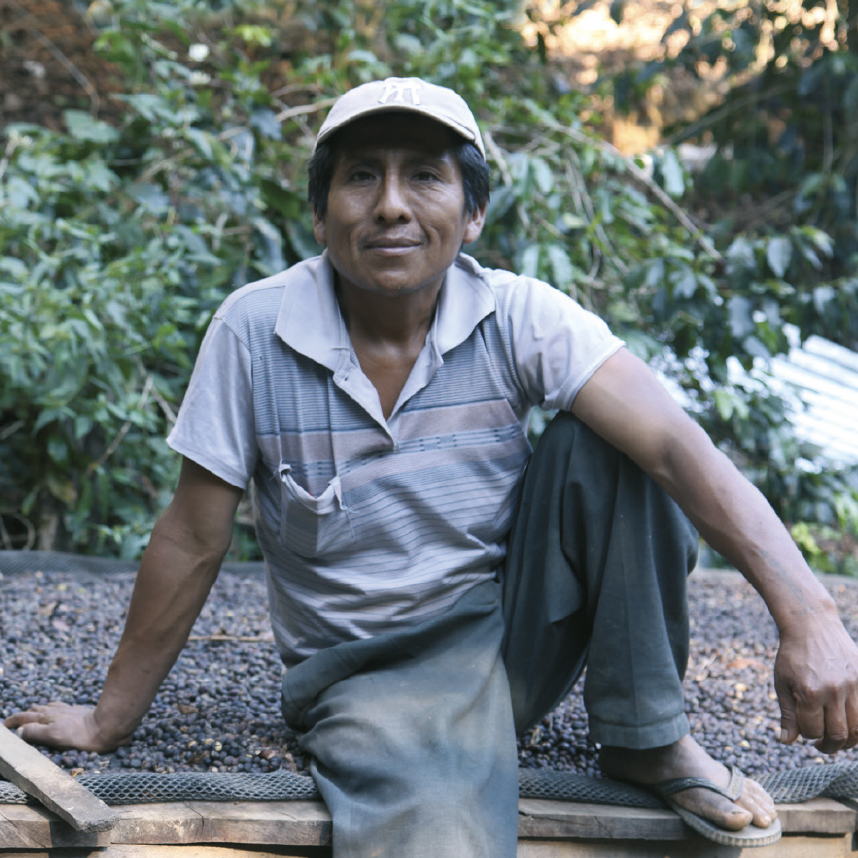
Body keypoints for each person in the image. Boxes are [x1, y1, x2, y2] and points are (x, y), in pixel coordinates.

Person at [7, 77, 858, 856]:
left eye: (424, 176)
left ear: (472, 213)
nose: (390, 207)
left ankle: (644, 736)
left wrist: (810, 614)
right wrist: (109, 717)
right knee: (438, 828)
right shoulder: (254, 332)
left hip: (509, 635)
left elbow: (679, 448)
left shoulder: (517, 315)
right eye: (361, 178)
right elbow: (194, 537)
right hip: (367, 674)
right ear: (320, 213)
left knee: (618, 440)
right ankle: (438, 773)